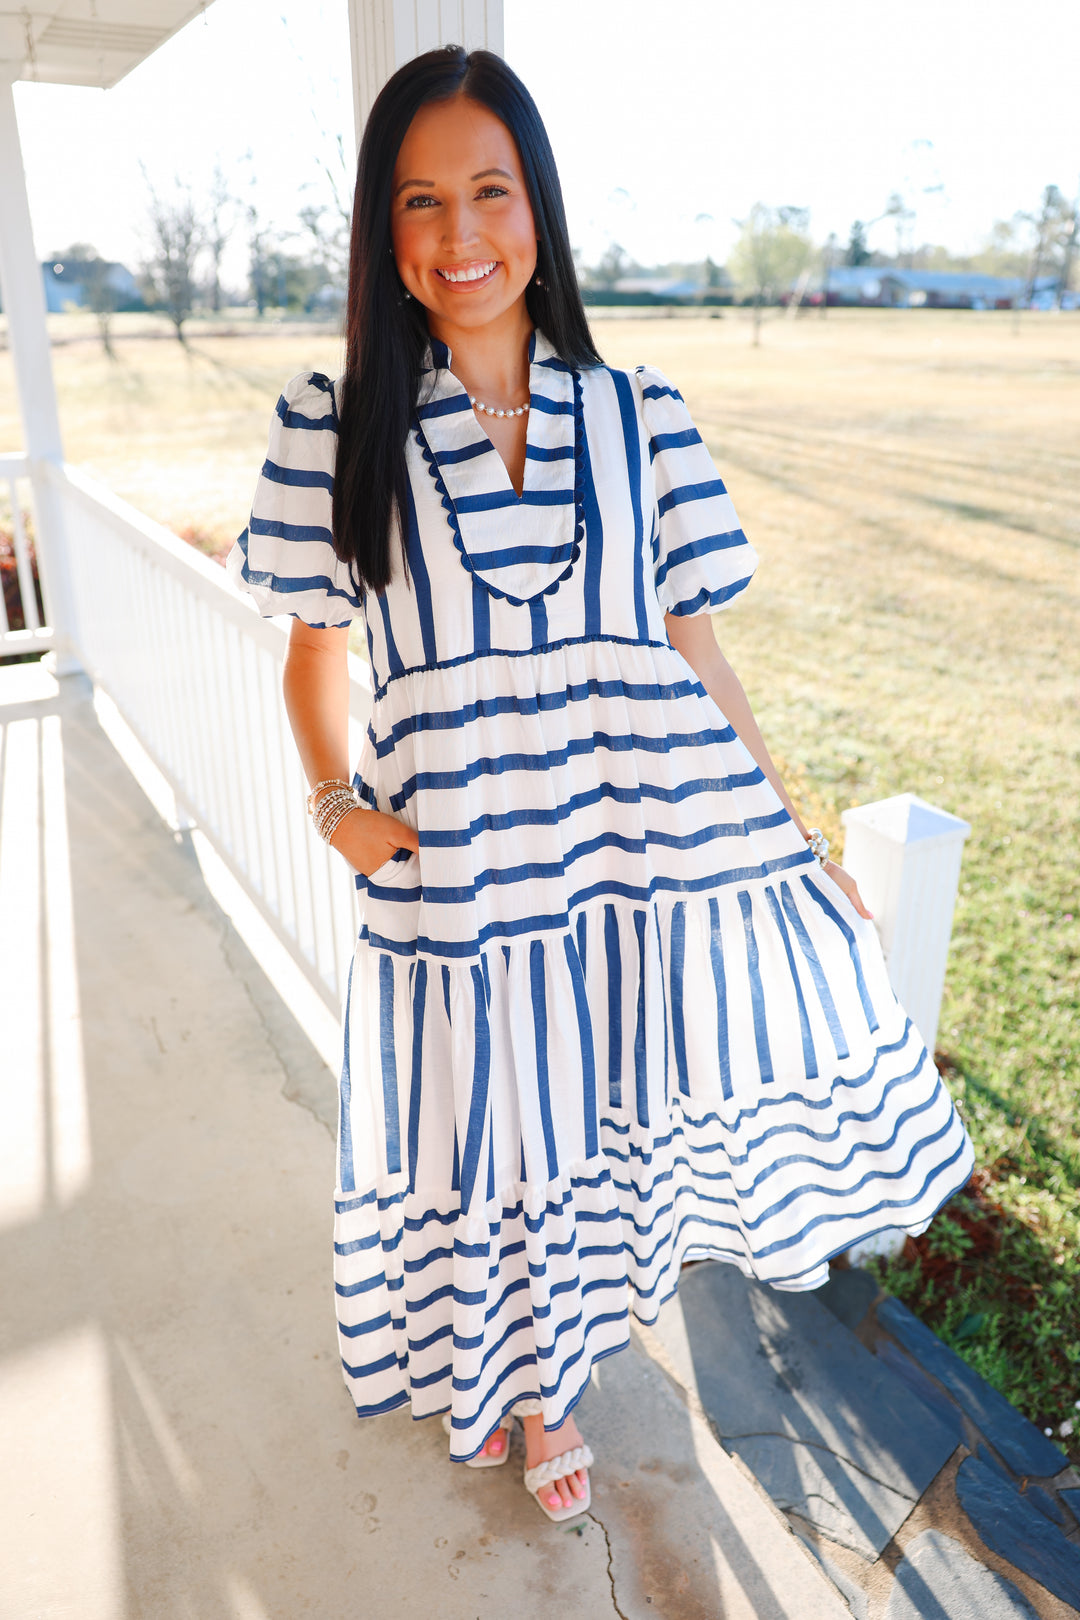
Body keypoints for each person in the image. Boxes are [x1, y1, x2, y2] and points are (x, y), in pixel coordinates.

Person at [227, 46, 975, 1523]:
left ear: (540, 208)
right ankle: (533, 1388)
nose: (460, 237)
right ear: (384, 234)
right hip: (460, 864)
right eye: (421, 202)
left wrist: (783, 823)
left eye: (490, 192)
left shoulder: (642, 415)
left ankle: (558, 1356)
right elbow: (317, 663)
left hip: (637, 845)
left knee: (599, 1121)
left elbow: (696, 645)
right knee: (498, 1129)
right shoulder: (337, 424)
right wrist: (337, 811)